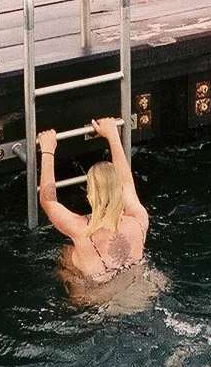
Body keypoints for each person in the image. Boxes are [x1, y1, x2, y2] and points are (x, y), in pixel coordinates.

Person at [37, 117, 159, 308]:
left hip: (99, 303)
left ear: (90, 194)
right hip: (142, 291)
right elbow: (127, 182)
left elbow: (47, 200)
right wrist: (113, 136)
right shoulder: (139, 219)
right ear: (120, 192)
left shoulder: (80, 230)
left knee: (67, 258)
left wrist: (47, 150)